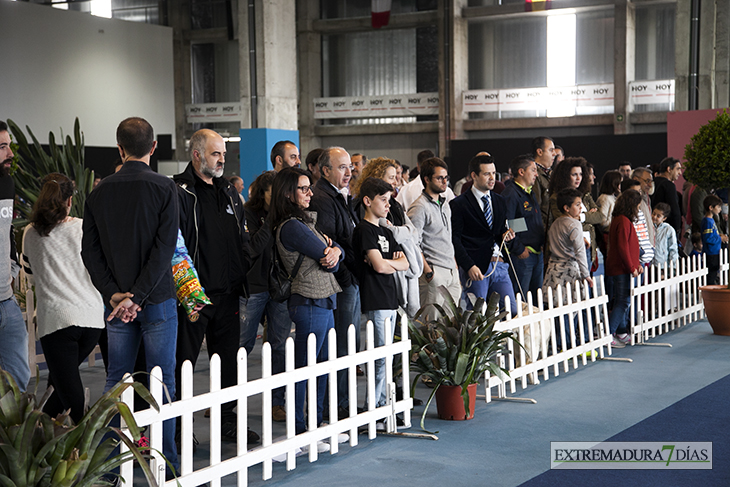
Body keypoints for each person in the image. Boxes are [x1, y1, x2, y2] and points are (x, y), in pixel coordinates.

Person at [81, 117, 179, 475]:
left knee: (115, 382)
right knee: (162, 382)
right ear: (153, 148)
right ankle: (164, 465)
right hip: (157, 301)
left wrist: (115, 296)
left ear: (118, 149)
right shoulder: (165, 189)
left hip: (117, 306)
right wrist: (138, 296)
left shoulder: (98, 191)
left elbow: (89, 253)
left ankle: (109, 469)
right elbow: (164, 249)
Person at [173, 128, 256, 444]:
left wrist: (243, 264)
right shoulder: (179, 192)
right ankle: (180, 428)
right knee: (185, 365)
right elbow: (173, 244)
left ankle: (227, 423)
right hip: (193, 297)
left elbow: (242, 236)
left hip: (229, 294)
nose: (222, 159)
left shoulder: (230, 192)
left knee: (228, 365)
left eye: (223, 153)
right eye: (215, 153)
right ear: (196, 155)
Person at [22, 173, 104, 422]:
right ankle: (42, 435)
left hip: (56, 322)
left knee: (70, 394)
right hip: (91, 320)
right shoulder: (84, 228)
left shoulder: (30, 234)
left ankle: (79, 447)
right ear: (70, 201)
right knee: (56, 384)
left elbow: (29, 273)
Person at [270, 167, 343, 438]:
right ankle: (300, 429)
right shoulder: (292, 227)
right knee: (305, 369)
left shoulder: (305, 223)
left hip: (322, 300)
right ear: (288, 193)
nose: (310, 192)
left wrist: (335, 250)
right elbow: (327, 258)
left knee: (320, 367)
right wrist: (333, 251)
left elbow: (335, 253)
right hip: (309, 301)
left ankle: (316, 424)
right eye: (303, 188)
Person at [308, 147, 360, 419]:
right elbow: (327, 243)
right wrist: (348, 275)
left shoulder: (340, 196)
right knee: (341, 346)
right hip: (340, 282)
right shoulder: (323, 198)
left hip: (348, 279)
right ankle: (336, 405)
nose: (348, 172)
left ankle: (341, 402)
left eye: (349, 166)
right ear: (325, 170)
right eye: (342, 167)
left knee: (348, 345)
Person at [239, 171, 291, 422]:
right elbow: (253, 248)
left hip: (279, 287)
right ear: (263, 192)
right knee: (242, 345)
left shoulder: (288, 215)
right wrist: (271, 219)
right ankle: (226, 401)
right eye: (275, 192)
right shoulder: (247, 214)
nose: (281, 196)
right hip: (254, 286)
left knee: (278, 346)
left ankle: (276, 402)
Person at [353, 177, 409, 409]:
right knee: (380, 358)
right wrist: (388, 262)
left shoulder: (386, 232)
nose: (388, 205)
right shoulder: (364, 230)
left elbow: (406, 263)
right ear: (367, 201)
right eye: (383, 200)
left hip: (390, 298)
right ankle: (374, 407)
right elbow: (379, 267)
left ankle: (384, 404)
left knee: (388, 357)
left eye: (389, 200)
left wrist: (387, 262)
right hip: (375, 299)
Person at [352, 157, 421, 317]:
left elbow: (413, 233)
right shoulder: (367, 219)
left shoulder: (394, 205)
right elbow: (380, 265)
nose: (396, 180)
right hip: (376, 291)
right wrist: (392, 261)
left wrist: (388, 261)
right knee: (380, 339)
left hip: (394, 286)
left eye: (397, 176)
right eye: (391, 177)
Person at [449, 154, 517, 313]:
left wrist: (506, 235)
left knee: (511, 311)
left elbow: (499, 231)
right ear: (474, 176)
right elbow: (455, 239)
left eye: (494, 173)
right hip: (476, 268)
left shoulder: (499, 201)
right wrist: (468, 266)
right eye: (487, 174)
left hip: (500, 265)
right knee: (476, 315)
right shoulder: (458, 204)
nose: (492, 178)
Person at [408, 157, 462, 319]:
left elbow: (447, 237)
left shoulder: (445, 203)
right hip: (434, 272)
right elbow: (412, 244)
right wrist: (428, 272)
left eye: (446, 178)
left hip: (451, 271)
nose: (444, 182)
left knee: (453, 326)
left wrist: (455, 265)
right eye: (439, 178)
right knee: (432, 328)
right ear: (426, 179)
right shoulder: (419, 207)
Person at [542, 189, 593, 349]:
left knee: (555, 309)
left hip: (553, 270)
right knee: (570, 310)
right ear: (566, 207)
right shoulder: (574, 224)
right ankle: (567, 344)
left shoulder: (556, 223)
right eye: (577, 205)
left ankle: (556, 343)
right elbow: (580, 252)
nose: (581, 208)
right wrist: (586, 275)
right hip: (569, 272)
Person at [0, 121, 28, 392]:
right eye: (2, 147)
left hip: (6, 300)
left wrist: (9, 269)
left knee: (19, 377)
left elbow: (7, 232)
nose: (10, 154)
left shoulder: (6, 184)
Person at [501, 154, 544, 301]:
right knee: (521, 300)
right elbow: (506, 225)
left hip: (537, 253)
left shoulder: (529, 192)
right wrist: (518, 249)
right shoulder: (511, 194)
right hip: (523, 256)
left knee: (535, 300)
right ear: (521, 172)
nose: (536, 174)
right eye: (533, 170)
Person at [605, 189, 644, 348]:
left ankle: (620, 331)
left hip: (622, 268)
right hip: (621, 269)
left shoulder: (620, 219)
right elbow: (623, 247)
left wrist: (636, 264)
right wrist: (631, 267)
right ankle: (610, 334)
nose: (639, 209)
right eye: (638, 206)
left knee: (622, 301)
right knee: (623, 301)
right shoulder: (623, 221)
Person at [651, 157, 683, 237]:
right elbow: (674, 209)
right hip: (666, 230)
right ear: (669, 169)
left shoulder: (652, 183)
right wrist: (677, 228)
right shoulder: (669, 186)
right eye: (678, 169)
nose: (680, 173)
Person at [702, 194, 728, 285]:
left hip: (715, 252)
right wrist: (720, 238)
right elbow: (708, 238)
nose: (720, 209)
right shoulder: (707, 222)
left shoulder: (710, 220)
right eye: (718, 207)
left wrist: (719, 235)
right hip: (711, 253)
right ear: (711, 207)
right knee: (711, 276)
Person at [530, 136, 555, 228]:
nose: (554, 154)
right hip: (544, 231)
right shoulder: (533, 175)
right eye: (551, 150)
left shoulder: (552, 174)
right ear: (540, 152)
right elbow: (536, 209)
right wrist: (545, 232)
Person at [652, 203, 678, 269]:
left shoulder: (669, 230)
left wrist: (672, 267)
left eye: (658, 216)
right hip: (650, 264)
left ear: (664, 218)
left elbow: (673, 249)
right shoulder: (649, 227)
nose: (654, 217)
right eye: (654, 213)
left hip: (662, 265)